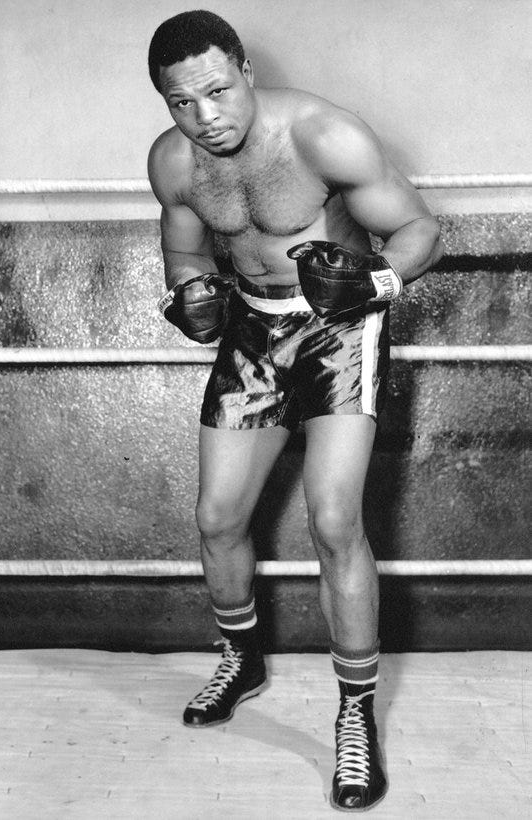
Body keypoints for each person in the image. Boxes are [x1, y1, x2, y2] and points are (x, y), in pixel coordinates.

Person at [147, 10, 443, 812]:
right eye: (182, 102)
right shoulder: (173, 162)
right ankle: (242, 658)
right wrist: (188, 294)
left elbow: (419, 229)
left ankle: (354, 714)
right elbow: (183, 247)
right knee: (216, 517)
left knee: (335, 519)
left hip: (339, 330)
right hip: (251, 332)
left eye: (218, 90)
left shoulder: (322, 135)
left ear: (245, 69)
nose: (206, 117)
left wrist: (378, 280)